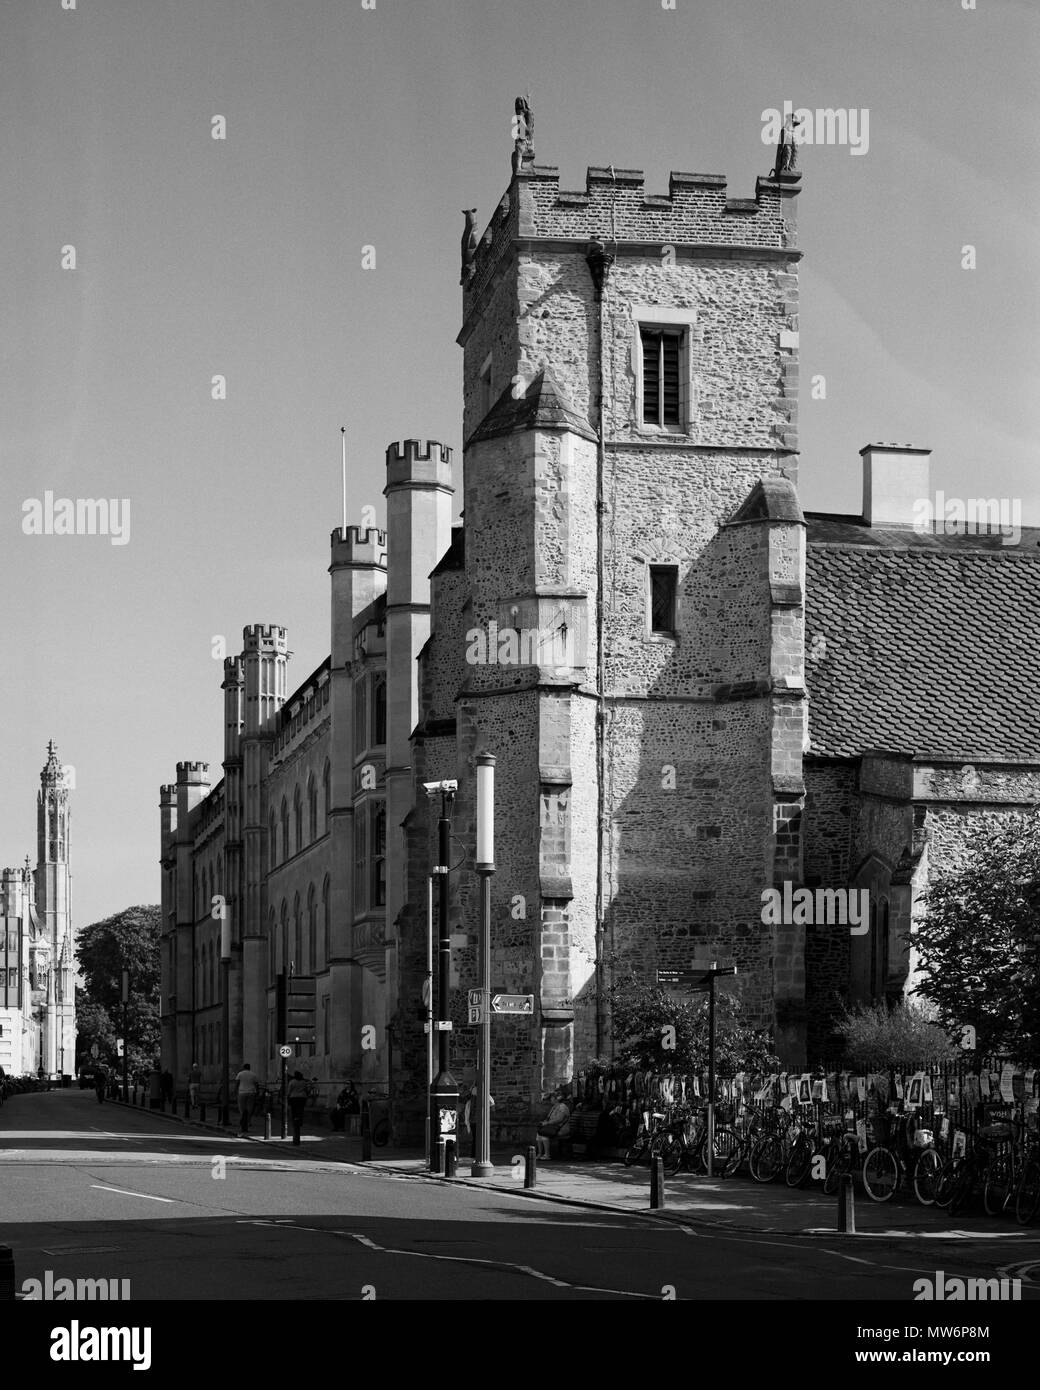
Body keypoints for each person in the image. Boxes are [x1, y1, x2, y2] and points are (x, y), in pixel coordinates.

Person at [535, 1090, 571, 1160]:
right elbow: (549, 1118)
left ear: (556, 1099)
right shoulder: (554, 1107)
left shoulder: (562, 1107)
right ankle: (540, 1153)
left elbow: (559, 1119)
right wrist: (544, 1122)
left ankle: (547, 1155)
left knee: (544, 1134)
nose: (551, 1099)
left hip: (562, 1128)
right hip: (554, 1127)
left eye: (552, 1098)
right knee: (539, 1134)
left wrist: (547, 1123)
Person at [462, 1084, 495, 1158]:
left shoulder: (470, 1102)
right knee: (481, 1138)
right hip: (481, 1121)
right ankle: (479, 1154)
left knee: (475, 1138)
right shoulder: (483, 1100)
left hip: (473, 1122)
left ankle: (474, 1154)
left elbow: (467, 1113)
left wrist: (467, 1123)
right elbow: (492, 1102)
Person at [235, 1063, 259, 1135]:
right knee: (250, 1108)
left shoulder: (240, 1074)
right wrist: (257, 1091)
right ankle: (248, 1121)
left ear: (243, 1067)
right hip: (251, 1092)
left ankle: (243, 1121)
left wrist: (235, 1091)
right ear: (249, 1068)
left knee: (242, 1108)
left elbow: (237, 1083)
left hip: (242, 1092)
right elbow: (256, 1084)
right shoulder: (253, 1074)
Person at [287, 1070, 310, 1147]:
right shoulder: (304, 1082)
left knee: (294, 1110)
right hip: (302, 1098)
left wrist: (288, 1096)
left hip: (294, 1097)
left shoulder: (292, 1082)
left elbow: (289, 1090)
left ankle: (295, 1120)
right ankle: (300, 1120)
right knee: (301, 1110)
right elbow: (306, 1090)